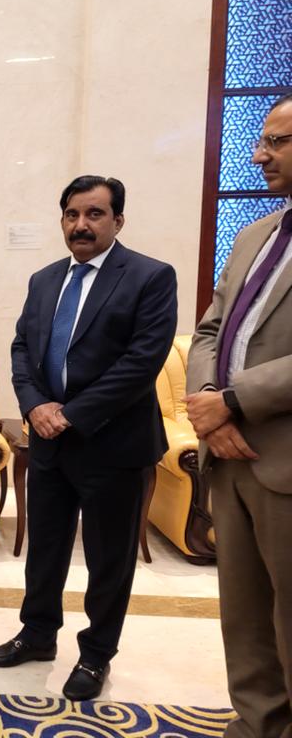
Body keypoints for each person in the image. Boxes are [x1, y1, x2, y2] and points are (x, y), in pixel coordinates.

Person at [0, 176, 177, 700]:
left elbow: (141, 362)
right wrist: (35, 406)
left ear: (118, 220)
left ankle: (95, 655)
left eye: (94, 214)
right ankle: (37, 634)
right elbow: (22, 348)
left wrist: (69, 415)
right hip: (49, 443)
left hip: (113, 445)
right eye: (72, 214)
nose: (81, 225)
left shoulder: (150, 277)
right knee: (44, 548)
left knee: (108, 558)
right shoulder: (45, 279)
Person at [185, 92, 292, 738]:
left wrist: (233, 400)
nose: (259, 155)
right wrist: (210, 408)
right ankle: (257, 724)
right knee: (245, 615)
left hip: (283, 461)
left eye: (277, 141)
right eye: (262, 141)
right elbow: (209, 330)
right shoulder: (257, 235)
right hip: (229, 457)